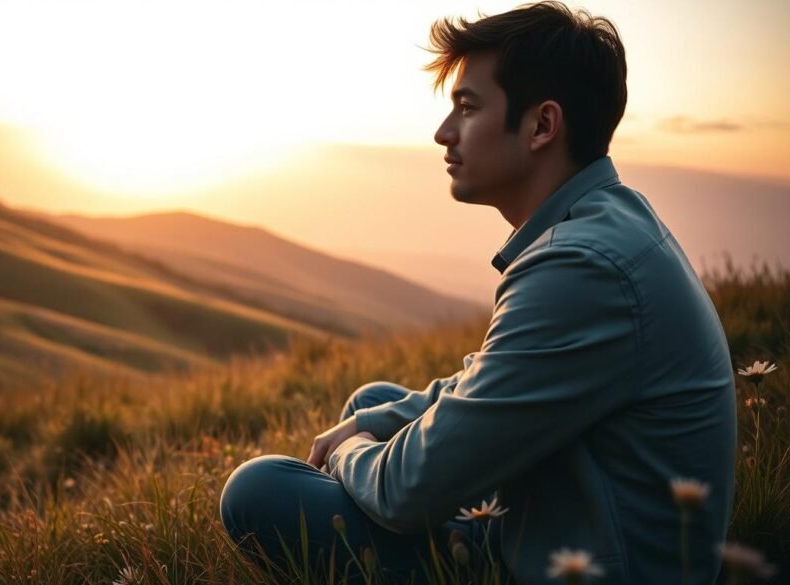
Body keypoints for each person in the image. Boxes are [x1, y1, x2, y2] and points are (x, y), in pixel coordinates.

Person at [219, 2, 736, 583]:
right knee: (373, 401)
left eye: (467, 107)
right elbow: (489, 381)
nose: (443, 132)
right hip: (561, 517)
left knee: (256, 489)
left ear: (542, 125)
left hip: (579, 565)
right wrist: (373, 423)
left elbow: (407, 490)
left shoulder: (582, 268)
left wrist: (348, 450)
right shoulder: (606, 223)